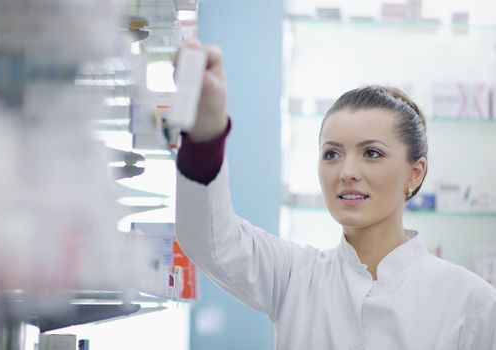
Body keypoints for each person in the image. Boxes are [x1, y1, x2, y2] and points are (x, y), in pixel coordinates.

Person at [174, 42, 496, 350]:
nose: (347, 172)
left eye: (371, 153)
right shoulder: (294, 275)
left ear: (415, 173)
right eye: (331, 154)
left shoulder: (472, 302)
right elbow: (211, 240)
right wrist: (206, 133)